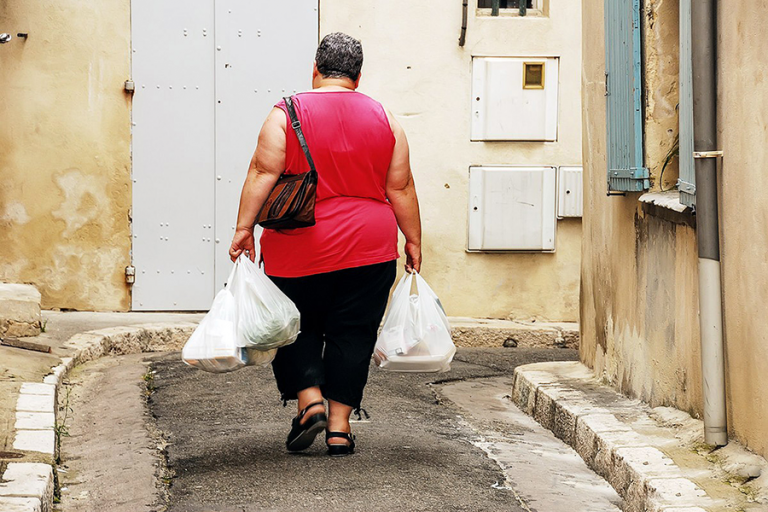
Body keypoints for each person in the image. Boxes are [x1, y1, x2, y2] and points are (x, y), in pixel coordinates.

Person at [228, 32, 422, 456]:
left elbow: (262, 172)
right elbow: (401, 187)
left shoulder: (286, 113)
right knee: (353, 333)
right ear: (358, 75)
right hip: (369, 249)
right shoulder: (386, 118)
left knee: (292, 325)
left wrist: (244, 229)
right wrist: (413, 239)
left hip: (298, 246)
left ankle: (309, 400)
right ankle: (339, 428)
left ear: (315, 69)